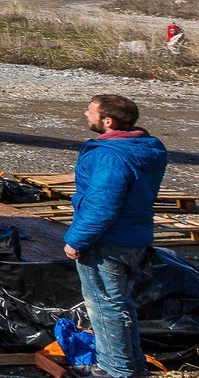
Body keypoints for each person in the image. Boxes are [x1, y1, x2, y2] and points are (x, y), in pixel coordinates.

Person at [63, 94, 168, 378]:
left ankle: (115, 370)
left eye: (91, 111)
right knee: (120, 304)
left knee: (105, 307)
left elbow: (102, 206)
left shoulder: (110, 156)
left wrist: (76, 240)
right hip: (135, 236)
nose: (86, 114)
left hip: (107, 242)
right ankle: (133, 368)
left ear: (108, 121)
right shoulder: (147, 147)